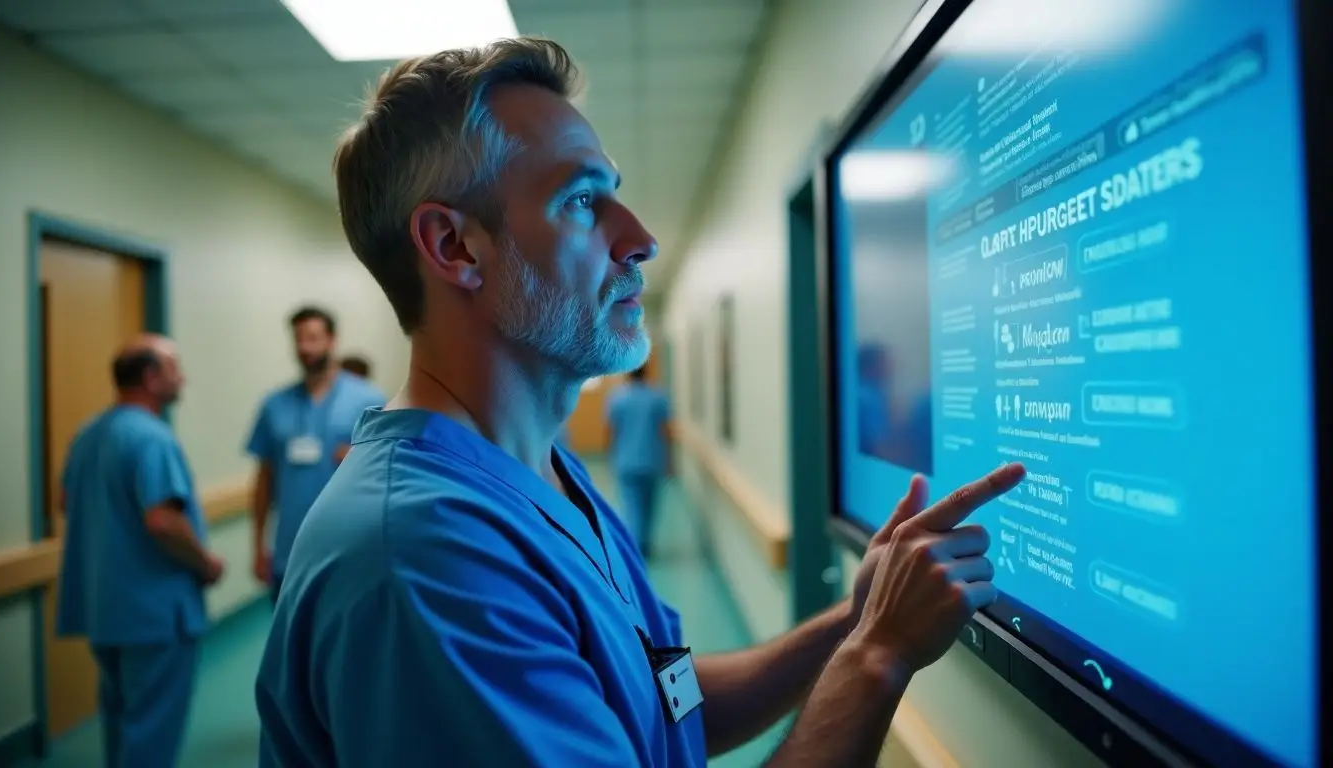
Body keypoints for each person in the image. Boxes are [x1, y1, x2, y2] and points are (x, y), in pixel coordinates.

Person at [255, 39, 1025, 767]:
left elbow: (665, 702)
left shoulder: (543, 471)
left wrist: (853, 619)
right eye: (583, 200)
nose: (642, 239)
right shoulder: (424, 558)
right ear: (456, 247)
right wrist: (878, 655)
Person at [56, 334, 223, 768]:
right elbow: (162, 520)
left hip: (106, 611)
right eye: (175, 368)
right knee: (150, 733)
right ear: (151, 378)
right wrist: (204, 564)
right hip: (155, 617)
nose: (182, 378)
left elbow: (63, 503)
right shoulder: (152, 438)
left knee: (120, 721)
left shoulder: (89, 433)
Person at [246, 306, 386, 604]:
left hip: (349, 552)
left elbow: (391, 473)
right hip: (290, 553)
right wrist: (258, 546)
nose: (304, 347)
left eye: (312, 338)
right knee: (289, 646)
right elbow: (264, 479)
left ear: (332, 341)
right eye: (298, 339)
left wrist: (363, 458)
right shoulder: (275, 405)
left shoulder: (369, 400)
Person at [606, 362, 671, 558]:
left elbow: (610, 432)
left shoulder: (617, 399)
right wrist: (669, 460)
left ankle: (635, 547)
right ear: (646, 374)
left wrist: (611, 455)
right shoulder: (657, 397)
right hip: (652, 460)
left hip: (626, 461)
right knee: (650, 506)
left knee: (631, 506)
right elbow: (665, 431)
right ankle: (644, 544)